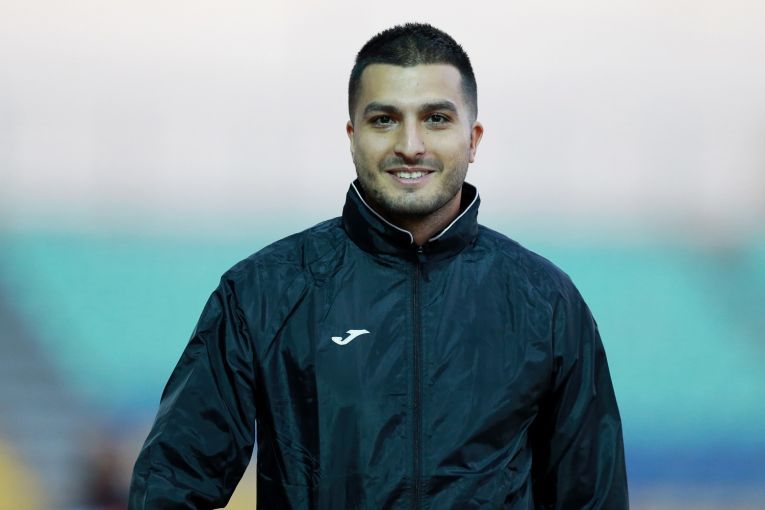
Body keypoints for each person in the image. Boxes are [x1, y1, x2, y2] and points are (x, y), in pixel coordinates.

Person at [129, 23, 629, 509]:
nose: (410, 145)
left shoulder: (546, 303)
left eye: (436, 118)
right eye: (384, 119)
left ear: (473, 139)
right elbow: (171, 486)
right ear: (352, 137)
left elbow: (592, 497)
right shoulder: (263, 292)